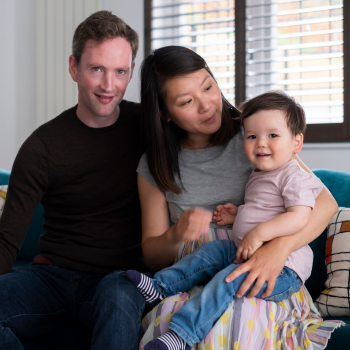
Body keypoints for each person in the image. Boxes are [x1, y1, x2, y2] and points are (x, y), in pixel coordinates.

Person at [131, 46, 338, 349]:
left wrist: (277, 249)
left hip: (266, 268)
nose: (206, 105)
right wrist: (178, 232)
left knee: (235, 322)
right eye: (187, 101)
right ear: (164, 114)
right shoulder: (155, 164)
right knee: (167, 320)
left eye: (208, 87)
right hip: (194, 275)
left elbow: (324, 203)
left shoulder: (256, 134)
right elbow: (152, 253)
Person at [0, 11, 146, 350]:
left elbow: (214, 120)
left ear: (131, 72)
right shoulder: (42, 146)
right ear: (73, 67)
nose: (109, 86)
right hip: (52, 277)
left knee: (118, 298)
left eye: (120, 72)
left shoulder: (148, 127)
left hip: (118, 280)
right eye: (97, 69)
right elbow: (8, 242)